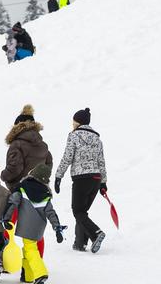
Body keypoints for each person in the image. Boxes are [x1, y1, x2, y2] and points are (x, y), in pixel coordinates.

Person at [1, 104, 53, 256]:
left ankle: (6, 259)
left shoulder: (17, 144)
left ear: (18, 126)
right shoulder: (43, 145)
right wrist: (41, 181)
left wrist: (4, 175)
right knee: (35, 231)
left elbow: (15, 168)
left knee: (8, 224)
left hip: (19, 191)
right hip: (39, 193)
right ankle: (36, 262)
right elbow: (48, 165)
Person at [54, 108, 108, 253]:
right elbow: (101, 162)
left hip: (81, 178)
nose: (72, 124)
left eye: (74, 121)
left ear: (78, 122)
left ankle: (96, 233)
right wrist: (103, 183)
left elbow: (67, 157)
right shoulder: (97, 139)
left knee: (78, 211)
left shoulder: (74, 136)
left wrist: (58, 176)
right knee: (82, 212)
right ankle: (80, 243)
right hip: (96, 178)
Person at [1, 164, 65, 284]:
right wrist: (57, 228)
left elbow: (12, 203)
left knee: (30, 250)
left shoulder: (22, 188)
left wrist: (6, 219)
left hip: (26, 226)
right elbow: (51, 212)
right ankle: (28, 276)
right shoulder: (46, 193)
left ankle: (41, 273)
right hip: (39, 228)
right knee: (28, 248)